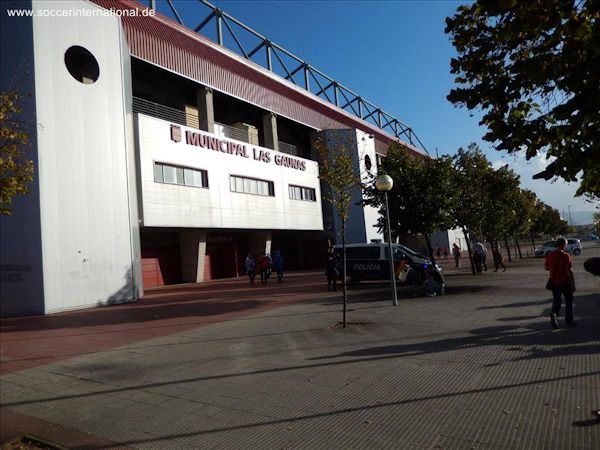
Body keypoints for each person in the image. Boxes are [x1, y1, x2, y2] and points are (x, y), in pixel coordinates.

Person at [545, 237, 575, 329]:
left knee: (557, 300)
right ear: (564, 245)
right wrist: (572, 284)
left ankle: (554, 314)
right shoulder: (566, 256)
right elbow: (568, 271)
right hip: (565, 282)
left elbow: (546, 267)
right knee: (569, 301)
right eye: (566, 244)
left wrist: (554, 268)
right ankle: (569, 321)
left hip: (554, 282)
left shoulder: (550, 255)